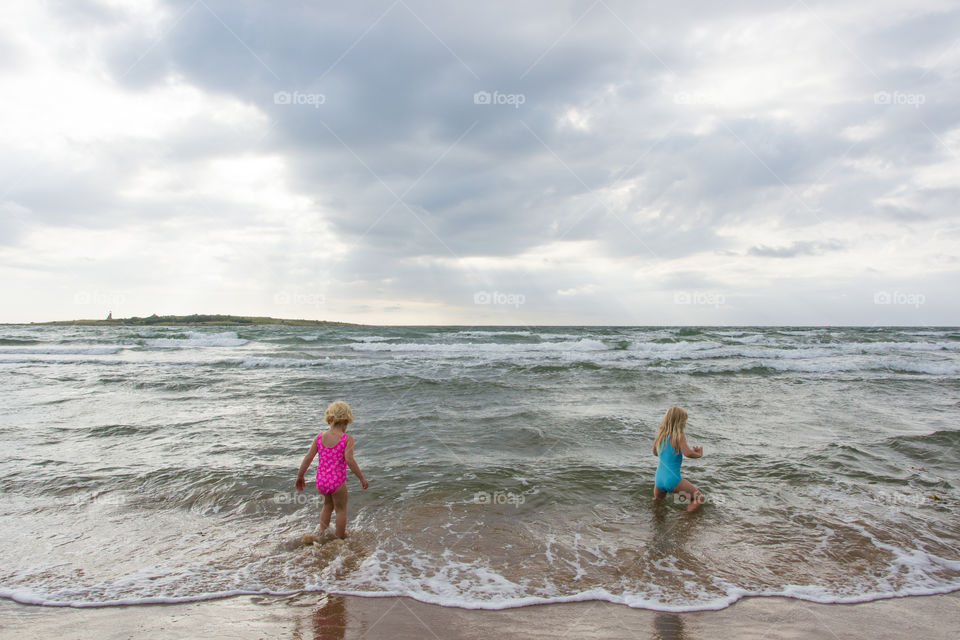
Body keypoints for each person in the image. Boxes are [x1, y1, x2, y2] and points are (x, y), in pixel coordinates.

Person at [296, 401, 368, 539]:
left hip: (321, 481)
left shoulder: (319, 437)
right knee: (340, 510)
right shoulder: (347, 439)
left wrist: (300, 476)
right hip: (337, 482)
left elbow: (308, 457)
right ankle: (339, 540)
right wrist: (361, 478)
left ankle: (323, 535)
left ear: (329, 420)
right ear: (346, 421)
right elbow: (350, 460)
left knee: (327, 506)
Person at [652, 406, 704, 512]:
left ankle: (656, 524)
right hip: (672, 479)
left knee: (658, 503)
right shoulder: (678, 435)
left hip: (659, 478)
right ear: (680, 422)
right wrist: (698, 454)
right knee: (699, 498)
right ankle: (684, 522)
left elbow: (655, 452)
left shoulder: (660, 435)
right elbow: (688, 453)